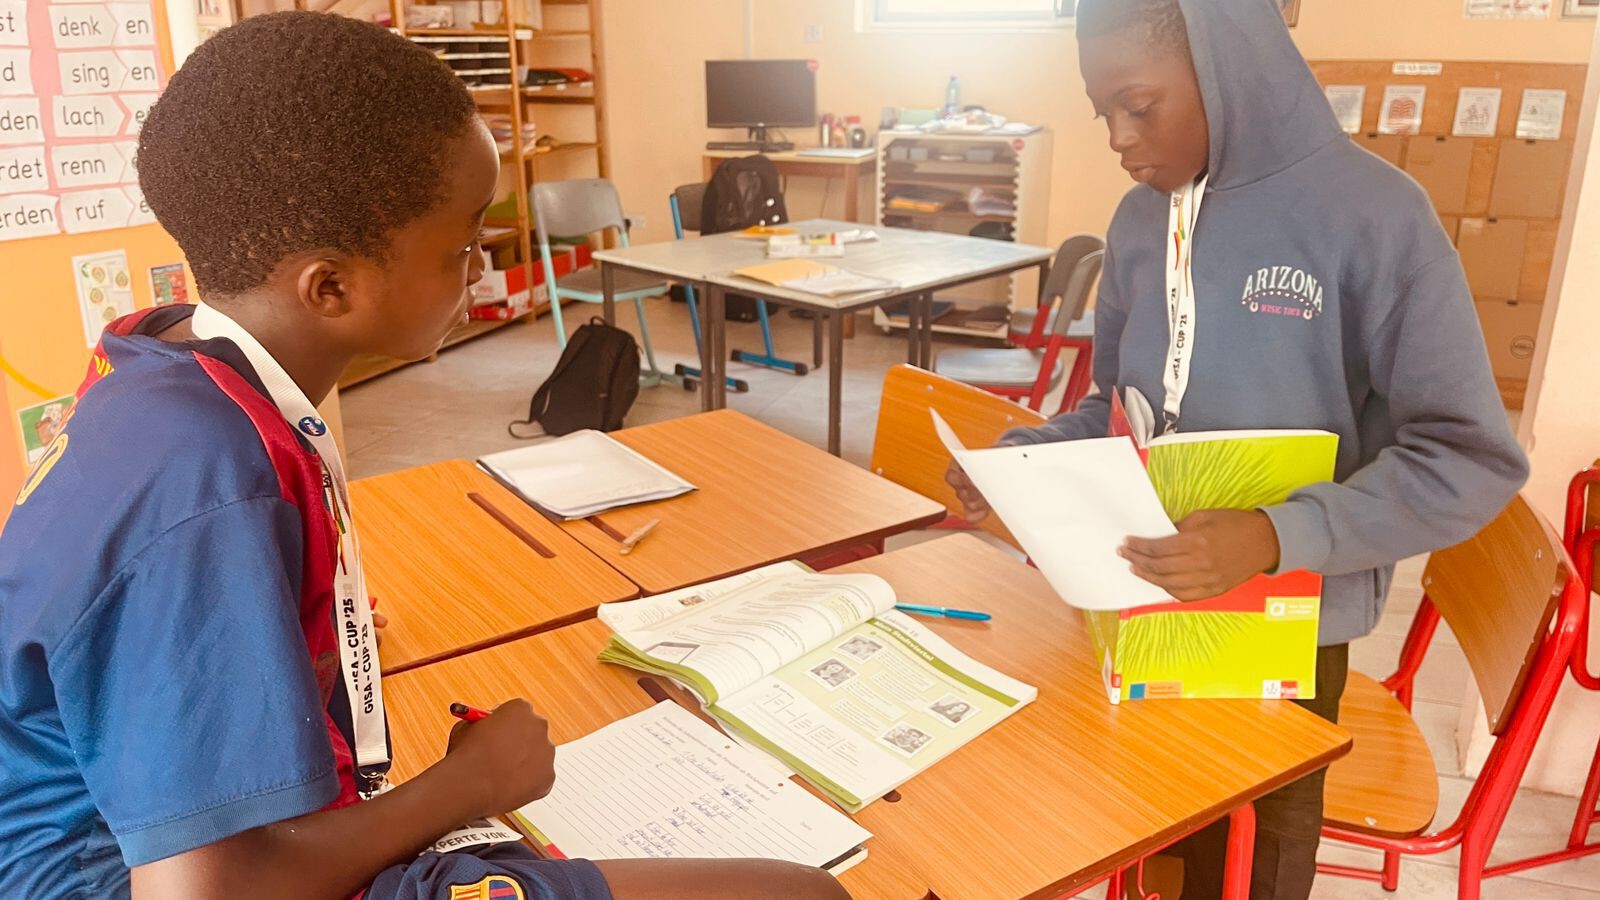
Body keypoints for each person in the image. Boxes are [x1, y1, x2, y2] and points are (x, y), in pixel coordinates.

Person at [0, 13, 847, 900]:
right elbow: (208, 892)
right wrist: (467, 786)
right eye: (463, 244)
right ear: (331, 287)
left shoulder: (167, 356)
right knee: (798, 894)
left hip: (185, 830)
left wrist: (294, 623)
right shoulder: (205, 482)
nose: (480, 267)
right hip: (120, 879)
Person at [947, 0, 1526, 897]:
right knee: (1142, 834)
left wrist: (1274, 535)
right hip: (1139, 609)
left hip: (1285, 644)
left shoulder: (1375, 218)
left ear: (1229, 74)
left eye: (1140, 106)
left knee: (1252, 866)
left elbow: (1469, 457)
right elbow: (1117, 405)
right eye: (1103, 112)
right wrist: (1024, 459)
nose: (1118, 137)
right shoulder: (1141, 221)